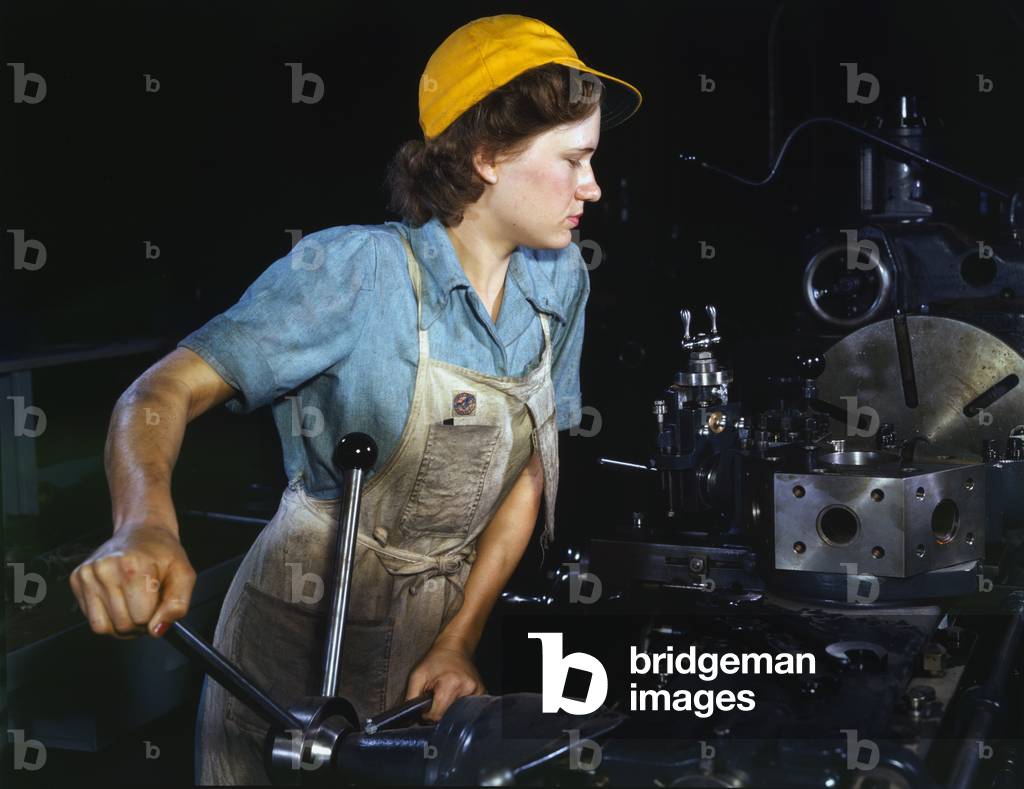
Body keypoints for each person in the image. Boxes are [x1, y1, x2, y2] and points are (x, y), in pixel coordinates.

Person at [69, 13, 641, 785]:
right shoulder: (354, 272)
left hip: (433, 641)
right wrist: (142, 525)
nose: (593, 187)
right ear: (486, 158)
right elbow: (159, 390)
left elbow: (533, 469)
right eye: (574, 160)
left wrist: (460, 638)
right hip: (294, 640)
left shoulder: (559, 277)